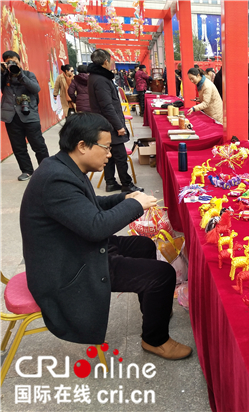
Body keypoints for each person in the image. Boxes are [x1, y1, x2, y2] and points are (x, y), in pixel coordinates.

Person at [20, 113, 193, 359]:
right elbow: (96, 227)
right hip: (68, 267)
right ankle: (155, 340)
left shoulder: (64, 166)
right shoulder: (56, 179)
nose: (109, 154)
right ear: (82, 146)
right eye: (105, 147)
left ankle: (155, 310)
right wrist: (136, 206)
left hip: (74, 247)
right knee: (162, 275)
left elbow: (89, 205)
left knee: (143, 245)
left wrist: (123, 198)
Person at [88, 49, 143, 193]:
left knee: (110, 155)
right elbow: (107, 106)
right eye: (110, 60)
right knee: (120, 156)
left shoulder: (97, 77)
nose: (112, 62)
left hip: (105, 123)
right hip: (109, 125)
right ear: (105, 62)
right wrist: (118, 126)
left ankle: (110, 182)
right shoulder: (100, 80)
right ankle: (126, 184)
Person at [1, 50, 49, 181]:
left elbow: (35, 89)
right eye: (8, 62)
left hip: (29, 116)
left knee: (38, 145)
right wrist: (2, 72)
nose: (12, 64)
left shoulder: (28, 74)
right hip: (11, 116)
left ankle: (46, 170)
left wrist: (20, 74)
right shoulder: (4, 77)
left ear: (19, 61)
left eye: (14, 61)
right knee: (18, 147)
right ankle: (27, 170)